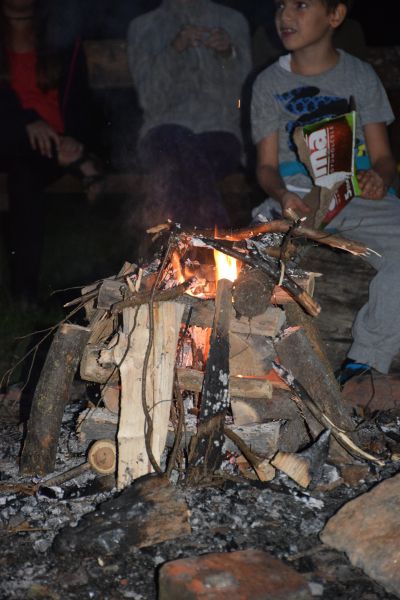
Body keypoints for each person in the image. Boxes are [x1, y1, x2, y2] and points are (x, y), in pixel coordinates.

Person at [251, 0, 399, 384]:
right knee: (247, 259)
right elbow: (266, 167)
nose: (285, 15)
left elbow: (383, 158)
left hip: (356, 193)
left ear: (335, 15)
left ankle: (365, 363)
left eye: (301, 5)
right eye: (281, 5)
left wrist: (379, 178)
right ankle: (259, 366)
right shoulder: (268, 83)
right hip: (296, 197)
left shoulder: (360, 76)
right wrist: (282, 195)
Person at [0, 0, 103, 303]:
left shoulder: (61, 40)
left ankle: (25, 293)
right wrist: (26, 122)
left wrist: (73, 140)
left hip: (52, 148)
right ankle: (83, 166)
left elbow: (81, 101)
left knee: (25, 172)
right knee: (22, 156)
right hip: (7, 137)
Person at [126, 0, 252, 230]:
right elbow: (149, 98)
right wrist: (174, 50)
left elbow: (243, 95)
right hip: (161, 133)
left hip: (220, 132)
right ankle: (217, 238)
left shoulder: (232, 21)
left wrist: (227, 54)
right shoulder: (144, 26)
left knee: (178, 172)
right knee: (177, 144)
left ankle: (182, 252)